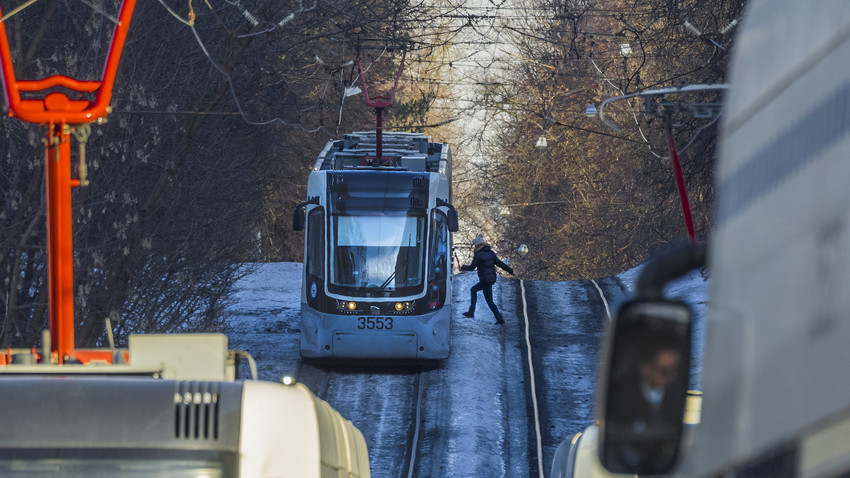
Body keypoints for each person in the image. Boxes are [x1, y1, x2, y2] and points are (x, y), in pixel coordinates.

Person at [460, 234, 514, 325]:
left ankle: (499, 319)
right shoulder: (491, 253)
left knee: (489, 301)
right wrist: (511, 271)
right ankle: (471, 312)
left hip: (485, 280)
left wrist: (463, 267)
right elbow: (501, 264)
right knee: (473, 290)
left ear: (478, 245)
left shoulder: (478, 254)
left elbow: (472, 267)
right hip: (490, 279)